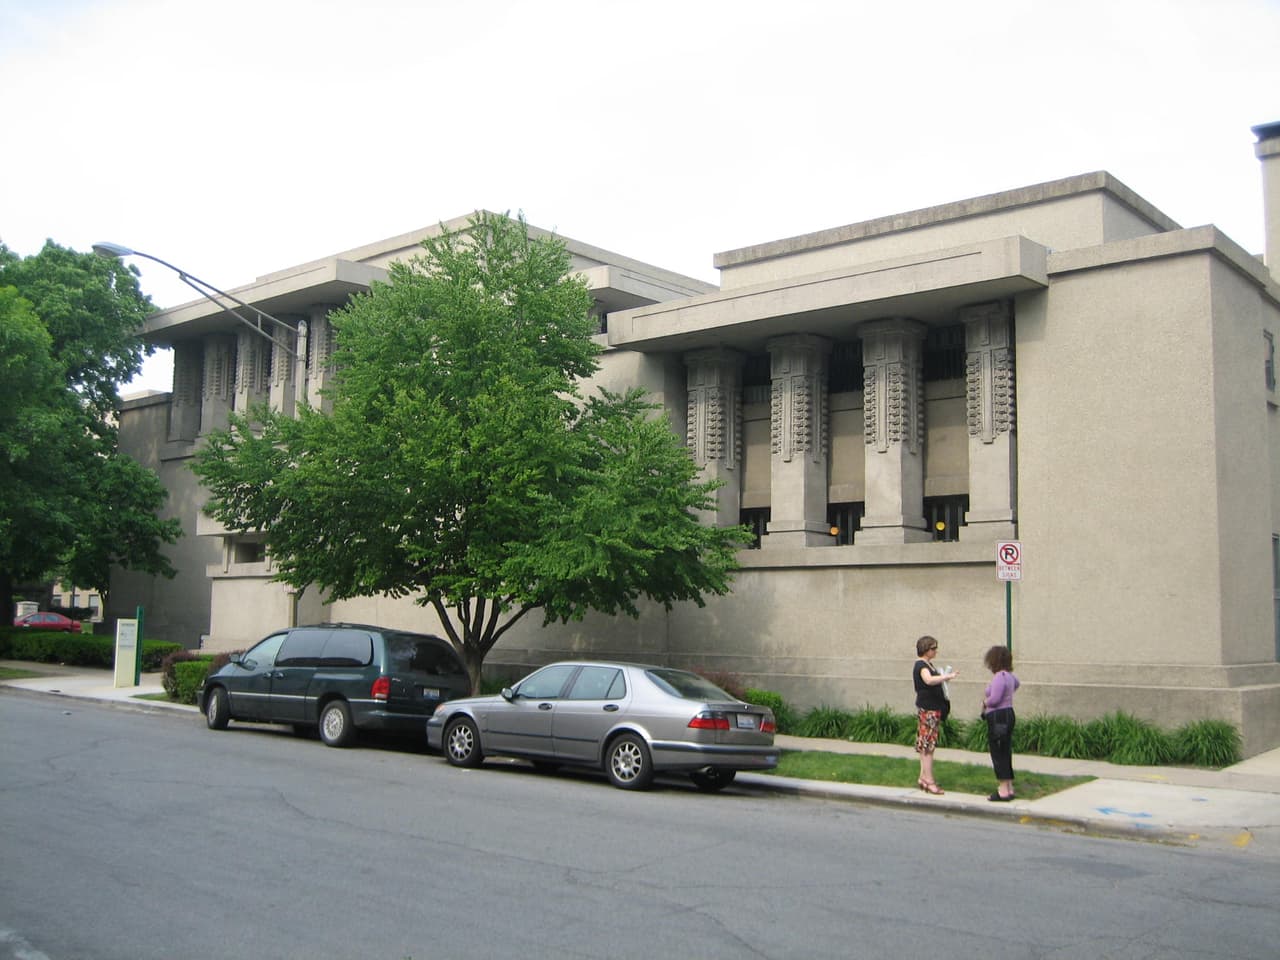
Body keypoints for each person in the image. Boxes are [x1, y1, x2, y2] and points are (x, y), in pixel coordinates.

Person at [912, 635, 957, 795]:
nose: (936, 651)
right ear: (925, 649)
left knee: (926, 745)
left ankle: (923, 777)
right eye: (933, 648)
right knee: (928, 747)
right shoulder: (921, 666)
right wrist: (946, 676)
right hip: (929, 710)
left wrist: (944, 678)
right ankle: (929, 781)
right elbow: (929, 680)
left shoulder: (928, 664)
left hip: (932, 709)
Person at [980, 644, 1019, 801]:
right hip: (1009, 713)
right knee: (1005, 750)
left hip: (998, 717)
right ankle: (1009, 786)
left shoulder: (998, 677)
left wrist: (985, 702)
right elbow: (1017, 684)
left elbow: (995, 700)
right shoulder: (1010, 676)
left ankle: (1002, 789)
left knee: (998, 752)